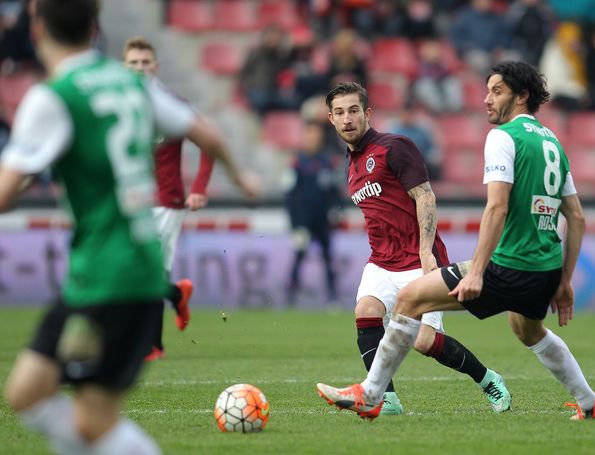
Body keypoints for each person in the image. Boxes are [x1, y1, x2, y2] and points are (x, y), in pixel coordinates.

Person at [0, 0, 256, 453]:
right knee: (28, 393)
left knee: (89, 418)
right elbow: (209, 134)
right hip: (131, 269)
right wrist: (243, 178)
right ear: (96, 27)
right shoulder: (134, 84)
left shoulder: (55, 95)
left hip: (105, 276)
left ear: (36, 29)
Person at [317, 62, 595, 421]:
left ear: (522, 97)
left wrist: (476, 270)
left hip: (509, 264)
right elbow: (577, 216)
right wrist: (565, 281)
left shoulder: (504, 137)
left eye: (497, 91)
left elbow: (497, 207)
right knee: (526, 328)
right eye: (488, 90)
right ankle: (591, 402)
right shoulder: (551, 141)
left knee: (410, 301)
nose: (486, 100)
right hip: (545, 268)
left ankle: (371, 394)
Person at [317, 81, 511, 417]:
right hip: (381, 261)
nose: (347, 118)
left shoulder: (395, 147)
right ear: (330, 119)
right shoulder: (349, 164)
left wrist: (425, 251)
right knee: (365, 312)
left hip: (418, 259)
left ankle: (488, 379)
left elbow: (425, 196)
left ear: (367, 114)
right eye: (339, 112)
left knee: (424, 342)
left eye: (353, 110)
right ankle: (386, 399)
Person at [122, 36, 255, 361]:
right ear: (124, 67)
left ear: (155, 66)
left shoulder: (171, 104)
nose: (140, 68)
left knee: (148, 270)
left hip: (166, 201)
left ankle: (152, 344)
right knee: (132, 270)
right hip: (130, 200)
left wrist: (199, 187)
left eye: (145, 62)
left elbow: (208, 142)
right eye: (133, 63)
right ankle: (176, 294)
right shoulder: (119, 105)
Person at [284, 121, 341, 306]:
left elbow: (335, 191)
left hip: (323, 220)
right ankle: (291, 296)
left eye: (316, 136)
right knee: (299, 257)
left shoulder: (327, 162)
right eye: (309, 136)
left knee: (328, 257)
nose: (313, 140)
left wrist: (336, 210)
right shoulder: (297, 163)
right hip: (303, 221)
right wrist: (295, 224)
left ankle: (332, 297)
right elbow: (289, 196)